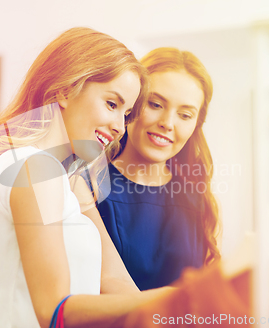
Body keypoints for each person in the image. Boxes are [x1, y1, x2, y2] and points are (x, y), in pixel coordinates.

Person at [0, 27, 173, 328]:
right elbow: (55, 311)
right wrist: (175, 299)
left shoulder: (60, 178)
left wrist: (169, 309)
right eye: (112, 104)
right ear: (64, 90)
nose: (120, 127)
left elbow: (112, 278)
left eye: (125, 114)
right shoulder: (34, 169)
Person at [91, 47, 221, 290]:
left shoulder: (196, 197)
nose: (167, 124)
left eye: (184, 115)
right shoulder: (87, 185)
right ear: (132, 103)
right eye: (155, 104)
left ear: (196, 124)